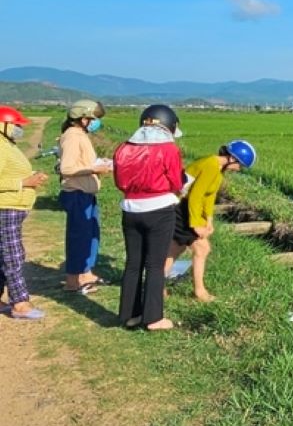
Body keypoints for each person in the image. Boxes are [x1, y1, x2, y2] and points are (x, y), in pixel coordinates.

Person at [113, 105, 184, 330]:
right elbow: (176, 182)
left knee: (133, 263)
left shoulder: (124, 147)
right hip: (159, 209)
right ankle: (153, 318)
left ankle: (129, 315)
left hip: (130, 209)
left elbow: (119, 181)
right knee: (155, 265)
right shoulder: (169, 149)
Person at [164, 139, 257, 302]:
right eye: (240, 165)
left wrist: (209, 219)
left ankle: (156, 286)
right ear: (232, 158)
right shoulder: (210, 165)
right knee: (202, 249)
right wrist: (196, 225)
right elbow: (195, 196)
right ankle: (199, 292)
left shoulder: (219, 169)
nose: (239, 169)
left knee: (175, 248)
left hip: (186, 207)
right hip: (181, 206)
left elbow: (209, 195)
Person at [58, 99, 113, 294]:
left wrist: (99, 163)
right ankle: (73, 280)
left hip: (86, 193)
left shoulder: (81, 135)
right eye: (94, 118)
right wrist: (94, 169)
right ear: (83, 118)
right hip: (77, 194)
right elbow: (67, 168)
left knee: (90, 236)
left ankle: (86, 273)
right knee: (79, 237)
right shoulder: (72, 136)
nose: (96, 122)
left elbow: (82, 162)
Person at [0, 106, 50, 320]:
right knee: (13, 255)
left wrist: (31, 176)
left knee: (3, 255)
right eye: (16, 125)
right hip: (6, 207)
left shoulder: (8, 144)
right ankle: (20, 303)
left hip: (14, 207)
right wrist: (24, 182)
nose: (19, 128)